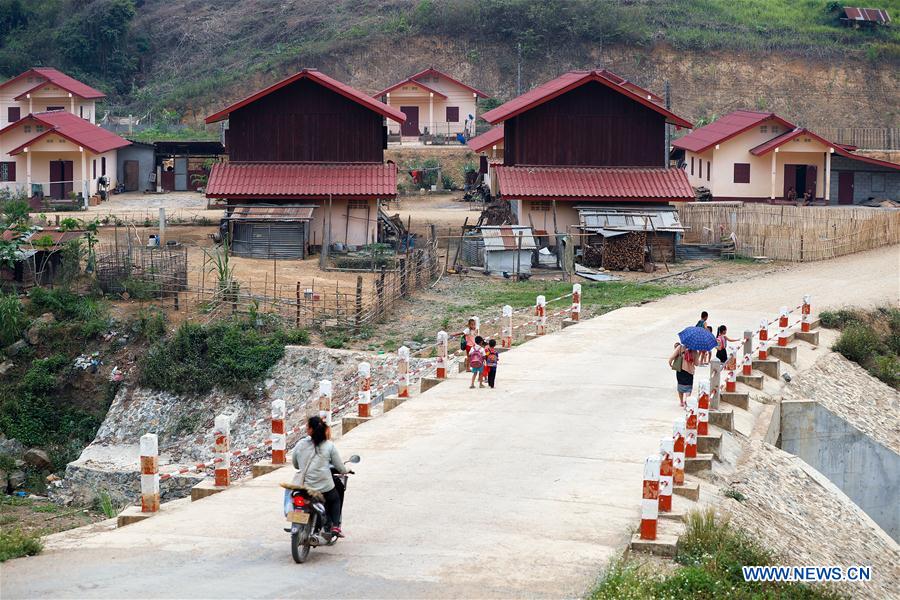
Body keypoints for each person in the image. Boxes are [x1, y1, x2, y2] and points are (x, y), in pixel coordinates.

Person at [290, 416, 348, 537]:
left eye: (307, 426)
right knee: (335, 498)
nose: (306, 428)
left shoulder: (300, 444)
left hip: (304, 487)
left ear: (311, 430)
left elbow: (295, 465)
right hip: (323, 488)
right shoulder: (329, 446)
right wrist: (346, 470)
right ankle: (336, 526)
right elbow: (341, 468)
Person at [668, 342, 695, 407]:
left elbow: (671, 358)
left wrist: (670, 364)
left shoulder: (680, 347)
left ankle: (681, 402)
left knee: (680, 386)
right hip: (689, 371)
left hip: (680, 370)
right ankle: (686, 401)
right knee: (688, 387)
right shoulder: (694, 349)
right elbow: (697, 363)